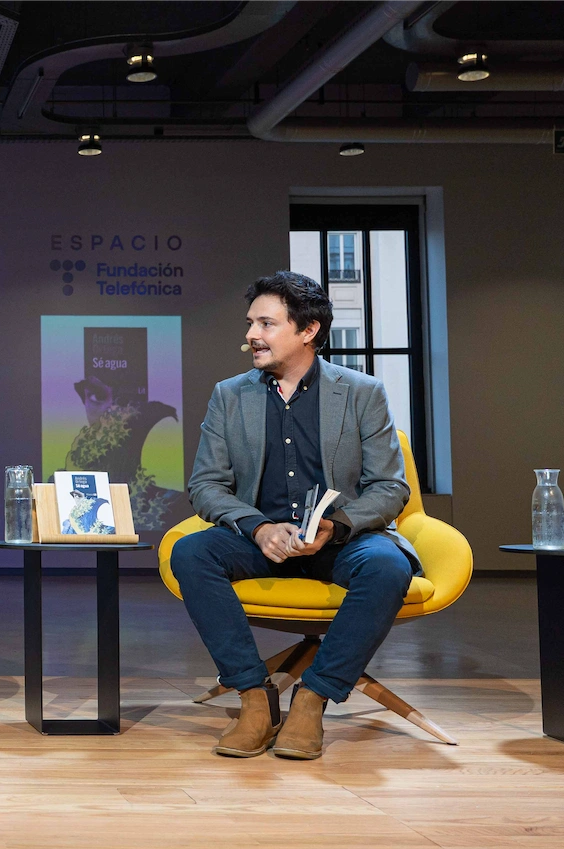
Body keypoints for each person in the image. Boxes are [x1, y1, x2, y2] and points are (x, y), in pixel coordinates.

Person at [172, 271, 419, 760]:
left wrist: (335, 526)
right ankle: (253, 695)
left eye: (266, 323)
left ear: (308, 331)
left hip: (339, 540)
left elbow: (391, 487)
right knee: (192, 553)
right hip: (259, 540)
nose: (251, 335)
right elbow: (206, 486)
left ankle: (314, 696)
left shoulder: (361, 392)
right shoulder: (230, 395)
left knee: (388, 566)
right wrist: (259, 528)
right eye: (250, 323)